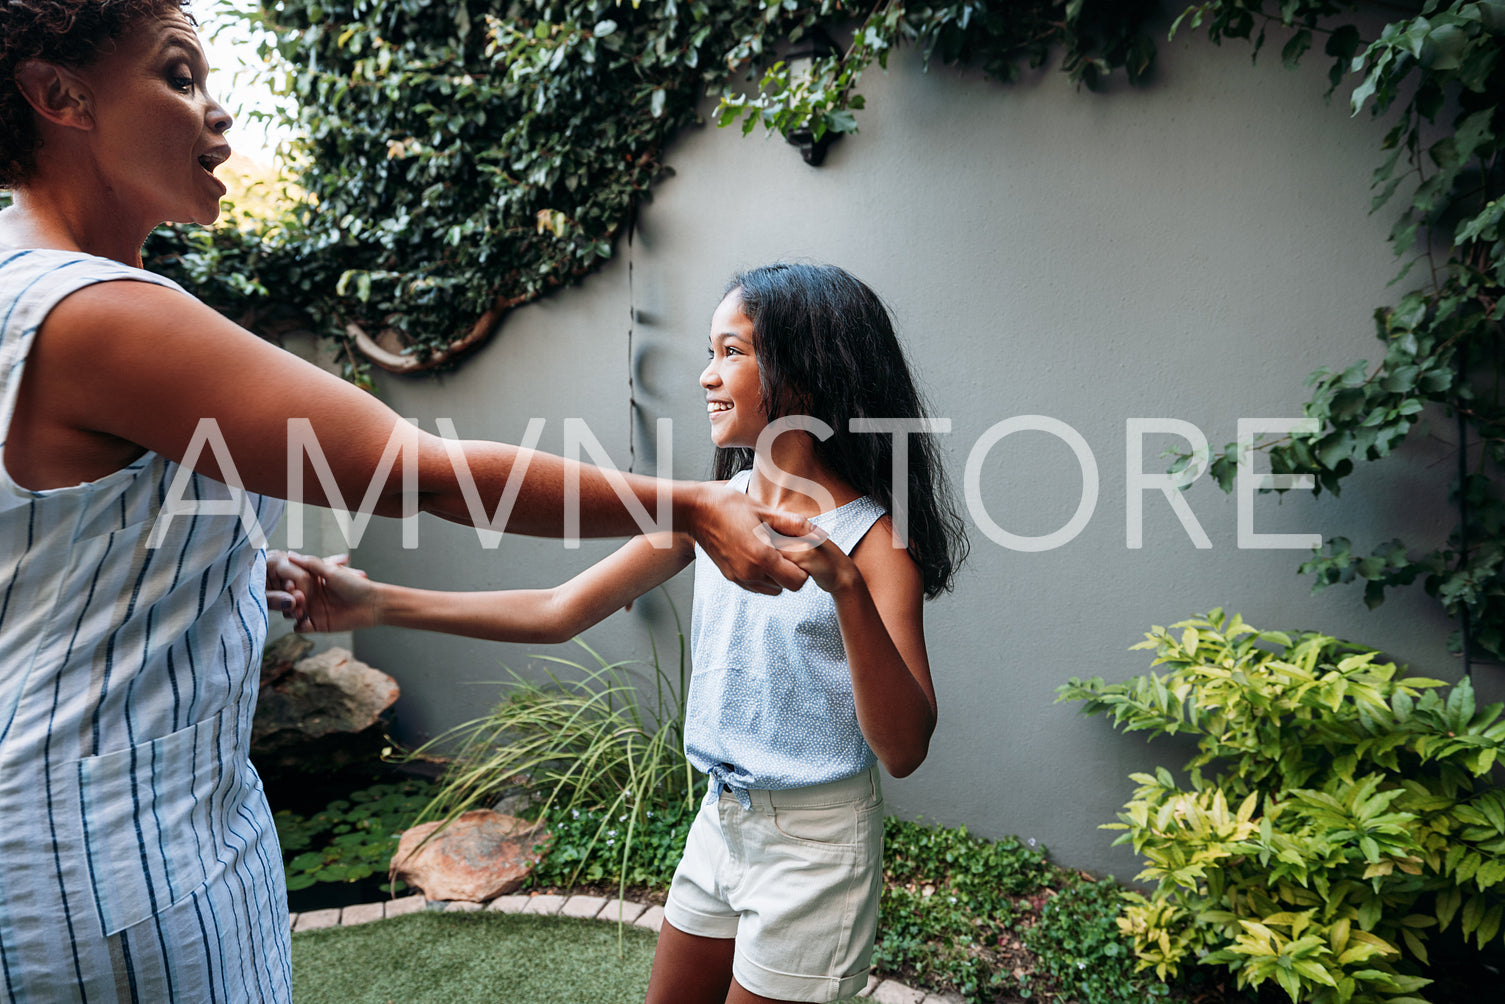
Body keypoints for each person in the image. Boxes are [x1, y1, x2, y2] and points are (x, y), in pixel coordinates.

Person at [0, 3, 813, 1001]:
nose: (218, 118)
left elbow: (46, 548)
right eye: (177, 77)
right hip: (105, 852)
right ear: (58, 94)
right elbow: (415, 469)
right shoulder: (95, 312)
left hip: (131, 826)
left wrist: (228, 569)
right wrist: (688, 502)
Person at [285, 262, 969, 1004]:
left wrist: (844, 593)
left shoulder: (873, 543)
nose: (707, 376)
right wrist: (376, 602)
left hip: (815, 846)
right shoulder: (710, 510)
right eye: (710, 352)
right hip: (721, 820)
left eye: (732, 352)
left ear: (805, 375)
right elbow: (557, 610)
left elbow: (903, 750)